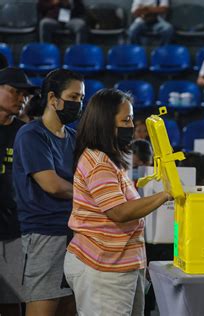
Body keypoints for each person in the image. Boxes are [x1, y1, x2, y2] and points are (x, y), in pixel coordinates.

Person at [64, 88, 171, 315]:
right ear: (105, 123)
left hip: (119, 264)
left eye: (131, 119)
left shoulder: (110, 160)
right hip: (103, 267)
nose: (131, 126)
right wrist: (164, 195)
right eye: (126, 120)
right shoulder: (99, 163)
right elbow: (119, 212)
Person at [12, 69, 84, 316]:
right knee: (43, 307)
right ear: (53, 98)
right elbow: (51, 184)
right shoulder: (31, 134)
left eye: (81, 98)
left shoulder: (74, 137)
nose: (78, 104)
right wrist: (89, 196)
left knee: (69, 307)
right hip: (44, 234)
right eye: (73, 97)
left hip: (73, 233)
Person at [0, 68, 38, 316]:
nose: (21, 98)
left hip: (13, 232)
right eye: (14, 91)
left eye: (25, 94)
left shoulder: (25, 135)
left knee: (12, 303)